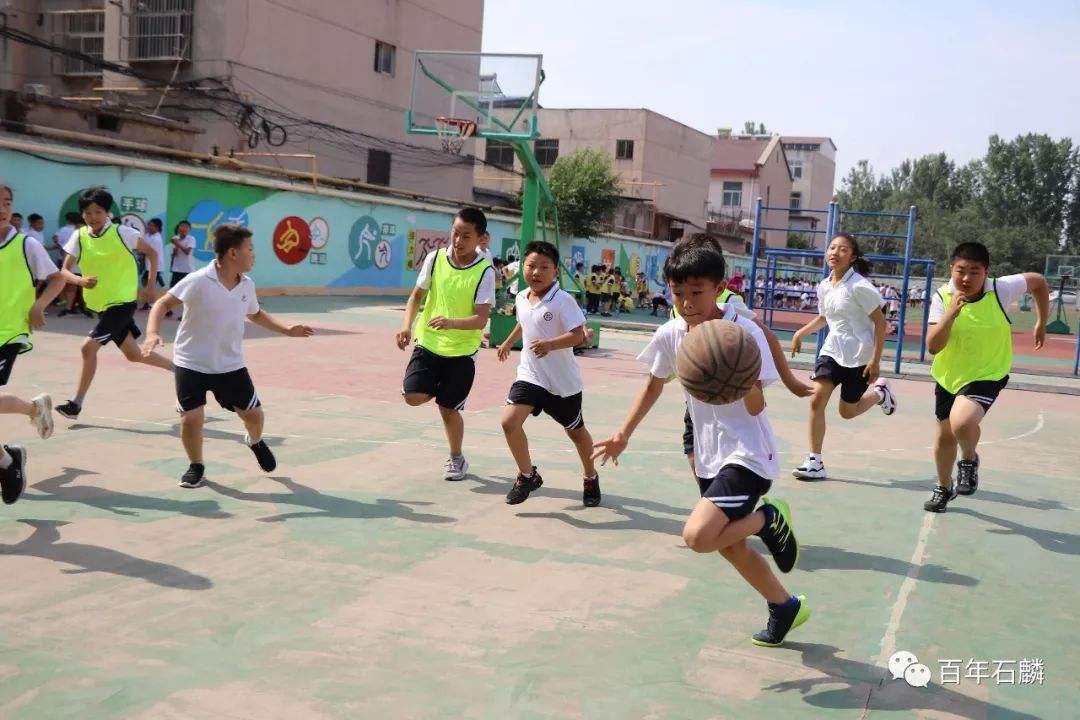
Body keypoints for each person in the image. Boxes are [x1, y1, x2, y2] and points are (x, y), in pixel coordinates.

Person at [592, 238, 809, 647]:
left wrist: (739, 380)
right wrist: (623, 433)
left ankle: (769, 519)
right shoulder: (673, 333)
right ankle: (784, 605)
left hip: (747, 454)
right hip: (710, 455)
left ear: (719, 287)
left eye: (697, 292)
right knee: (729, 545)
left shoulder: (741, 334)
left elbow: (757, 406)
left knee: (698, 537)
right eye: (678, 293)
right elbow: (654, 385)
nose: (687, 302)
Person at [142, 224, 314, 488]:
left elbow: (255, 314)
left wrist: (287, 329)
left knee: (254, 416)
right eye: (250, 249)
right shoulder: (199, 280)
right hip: (192, 362)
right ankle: (196, 465)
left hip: (229, 364)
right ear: (233, 253)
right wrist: (152, 332)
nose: (254, 254)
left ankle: (254, 441)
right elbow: (163, 303)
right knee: (190, 420)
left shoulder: (247, 285)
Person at [922, 242, 1049, 512]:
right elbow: (933, 346)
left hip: (989, 372)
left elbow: (1038, 282)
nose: (966, 278)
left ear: (986, 272)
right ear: (951, 269)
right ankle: (944, 487)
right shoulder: (942, 296)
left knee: (962, 421)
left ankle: (968, 460)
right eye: (960, 271)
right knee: (945, 437)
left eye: (974, 272)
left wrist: (1041, 321)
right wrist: (951, 314)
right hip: (949, 375)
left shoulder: (1001, 289)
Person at [54, 187, 173, 420]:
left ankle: (76, 404)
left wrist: (149, 287)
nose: (92, 217)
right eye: (87, 213)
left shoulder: (123, 233)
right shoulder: (79, 236)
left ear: (107, 212)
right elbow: (64, 271)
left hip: (123, 302)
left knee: (87, 348)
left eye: (98, 212)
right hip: (101, 306)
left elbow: (152, 254)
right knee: (134, 354)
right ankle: (179, 370)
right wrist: (80, 280)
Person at [496, 241, 600, 506]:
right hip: (531, 375)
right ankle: (527, 475)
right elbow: (524, 321)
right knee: (509, 422)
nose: (536, 272)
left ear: (555, 271)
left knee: (576, 432)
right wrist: (509, 342)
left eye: (544, 267)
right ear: (523, 267)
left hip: (562, 384)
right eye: (531, 266)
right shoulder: (521, 296)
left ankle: (590, 476)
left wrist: (551, 345)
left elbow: (579, 336)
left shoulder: (563, 301)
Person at [396, 207, 496, 481]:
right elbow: (416, 297)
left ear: (481, 239)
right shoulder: (435, 258)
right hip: (428, 342)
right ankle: (437, 389)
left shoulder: (485, 272)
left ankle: (456, 458)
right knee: (412, 397)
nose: (458, 240)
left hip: (462, 352)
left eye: (466, 236)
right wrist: (406, 325)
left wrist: (451, 323)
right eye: (455, 233)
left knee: (448, 409)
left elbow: (480, 319)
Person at [789, 234, 897, 481]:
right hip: (831, 351)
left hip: (860, 356)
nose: (835, 252)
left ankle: (880, 394)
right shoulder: (824, 285)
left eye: (843, 249)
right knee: (817, 400)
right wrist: (800, 333)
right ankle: (815, 461)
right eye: (832, 247)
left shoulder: (859, 286)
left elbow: (880, 324)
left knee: (847, 412)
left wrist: (876, 361)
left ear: (852, 257)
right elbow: (824, 317)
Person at [0, 182, 65, 504]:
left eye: (7, 202)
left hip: (8, 333)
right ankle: (10, 457)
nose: (2, 208)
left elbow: (58, 278)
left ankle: (8, 462)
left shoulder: (26, 244)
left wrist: (39, 305)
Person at [167, 220, 195, 319]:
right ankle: (168, 310)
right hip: (176, 269)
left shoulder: (191, 239)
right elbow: (174, 254)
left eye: (185, 227)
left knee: (187, 293)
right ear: (178, 228)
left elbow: (187, 252)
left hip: (187, 270)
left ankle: (186, 314)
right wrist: (174, 249)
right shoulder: (175, 238)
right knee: (172, 290)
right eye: (181, 226)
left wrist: (177, 244)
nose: (183, 228)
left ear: (189, 229)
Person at [139, 218, 165, 311]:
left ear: (157, 228)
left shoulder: (156, 238)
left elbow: (148, 251)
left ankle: (165, 308)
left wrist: (141, 251)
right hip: (149, 265)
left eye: (151, 225)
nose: (149, 227)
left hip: (155, 267)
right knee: (146, 283)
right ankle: (147, 303)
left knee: (150, 285)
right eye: (148, 225)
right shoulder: (148, 235)